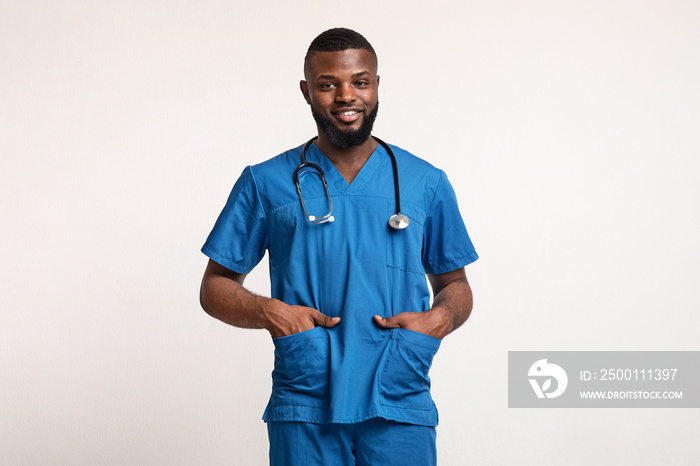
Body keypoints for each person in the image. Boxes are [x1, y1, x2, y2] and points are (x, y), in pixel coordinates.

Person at [199, 27, 478, 466]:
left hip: (398, 393)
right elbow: (214, 287)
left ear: (377, 85)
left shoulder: (427, 182)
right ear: (307, 92)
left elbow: (456, 284)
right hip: (307, 397)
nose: (347, 96)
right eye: (328, 85)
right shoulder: (265, 181)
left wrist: (438, 320)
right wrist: (272, 313)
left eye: (360, 82)